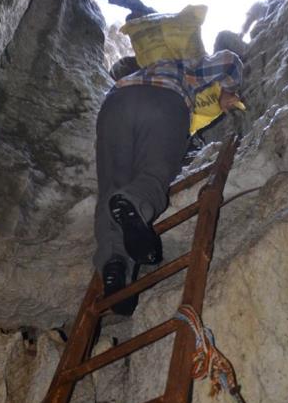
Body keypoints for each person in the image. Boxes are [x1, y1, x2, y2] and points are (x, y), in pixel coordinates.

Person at [94, 49, 243, 314]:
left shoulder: (139, 73)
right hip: (165, 101)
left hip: (114, 105)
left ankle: (116, 267)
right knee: (152, 175)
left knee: (112, 186)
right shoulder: (186, 64)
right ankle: (135, 202)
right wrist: (227, 92)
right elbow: (229, 62)